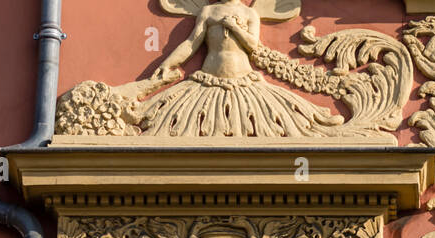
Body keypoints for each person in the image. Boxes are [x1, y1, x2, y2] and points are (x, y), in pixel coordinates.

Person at [137, 0, 344, 137]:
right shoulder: (208, 11)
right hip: (208, 78)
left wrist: (235, 28)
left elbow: (253, 45)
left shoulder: (249, 13)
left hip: (244, 79)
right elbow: (192, 43)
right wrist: (168, 63)